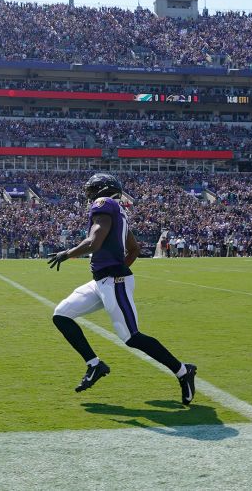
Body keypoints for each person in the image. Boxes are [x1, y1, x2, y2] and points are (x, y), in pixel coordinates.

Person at [48, 173, 197, 405]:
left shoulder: (104, 204)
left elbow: (94, 242)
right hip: (101, 281)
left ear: (101, 190)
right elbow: (134, 249)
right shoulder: (119, 211)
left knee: (131, 337)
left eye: (92, 191)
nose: (90, 196)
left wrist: (66, 254)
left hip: (113, 281)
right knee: (61, 315)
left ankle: (182, 370)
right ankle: (94, 365)